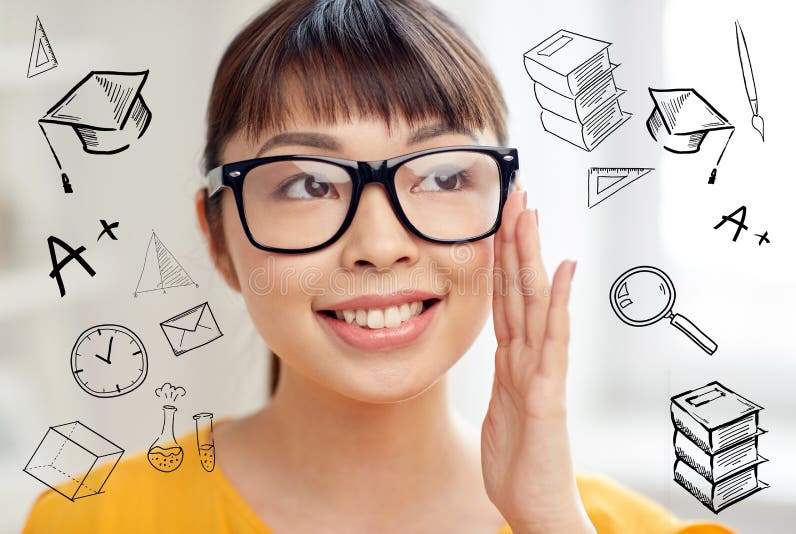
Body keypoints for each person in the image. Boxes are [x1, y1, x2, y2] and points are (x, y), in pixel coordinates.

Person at [23, 1, 733, 532]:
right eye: (307, 183)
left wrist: (548, 519)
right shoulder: (92, 519)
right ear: (218, 237)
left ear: (509, 209)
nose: (381, 242)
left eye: (445, 176)